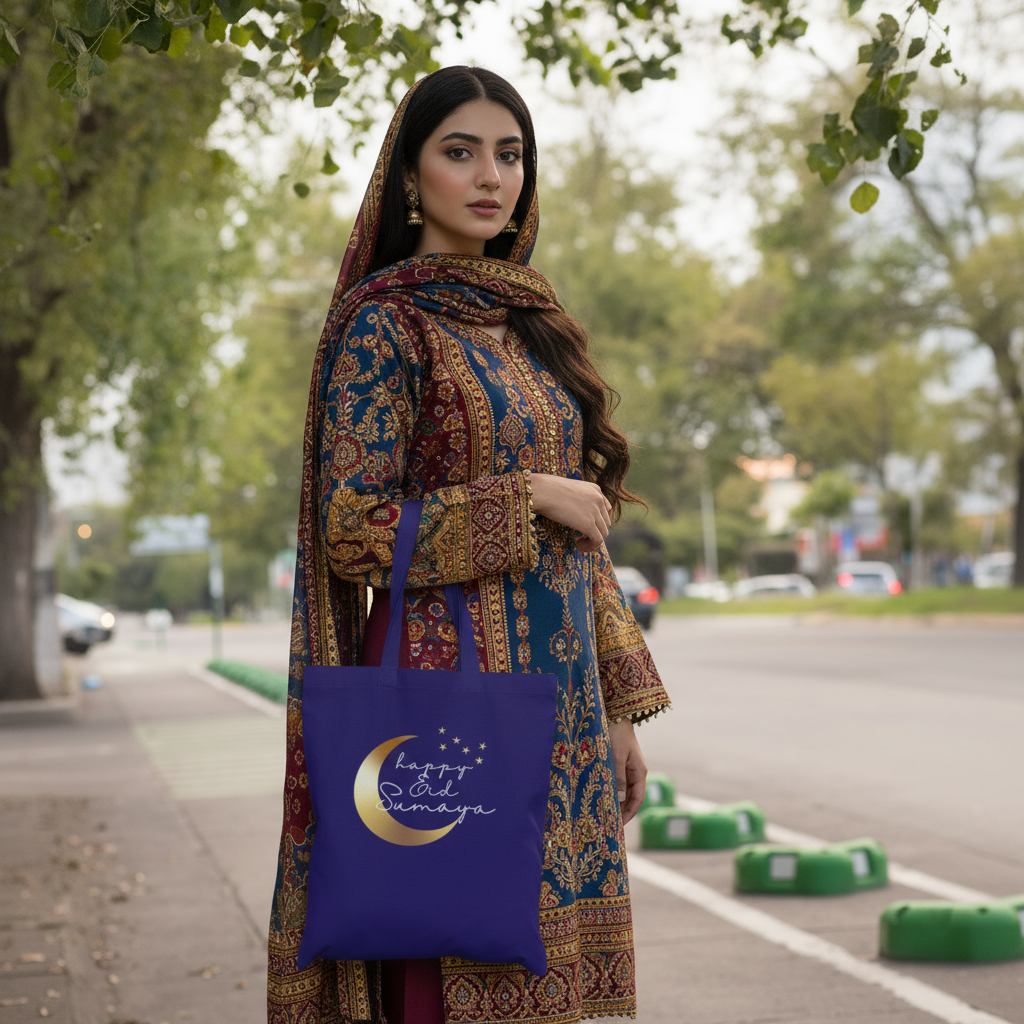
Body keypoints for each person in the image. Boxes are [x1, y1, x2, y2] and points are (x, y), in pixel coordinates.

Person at [268, 65, 672, 1024]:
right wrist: (525, 494)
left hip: (563, 698)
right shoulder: (384, 325)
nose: (491, 176)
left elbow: (587, 539)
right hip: (447, 694)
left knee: (545, 977)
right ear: (411, 177)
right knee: (454, 947)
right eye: (460, 153)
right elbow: (354, 533)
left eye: (510, 154)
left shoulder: (532, 322)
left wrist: (622, 705)